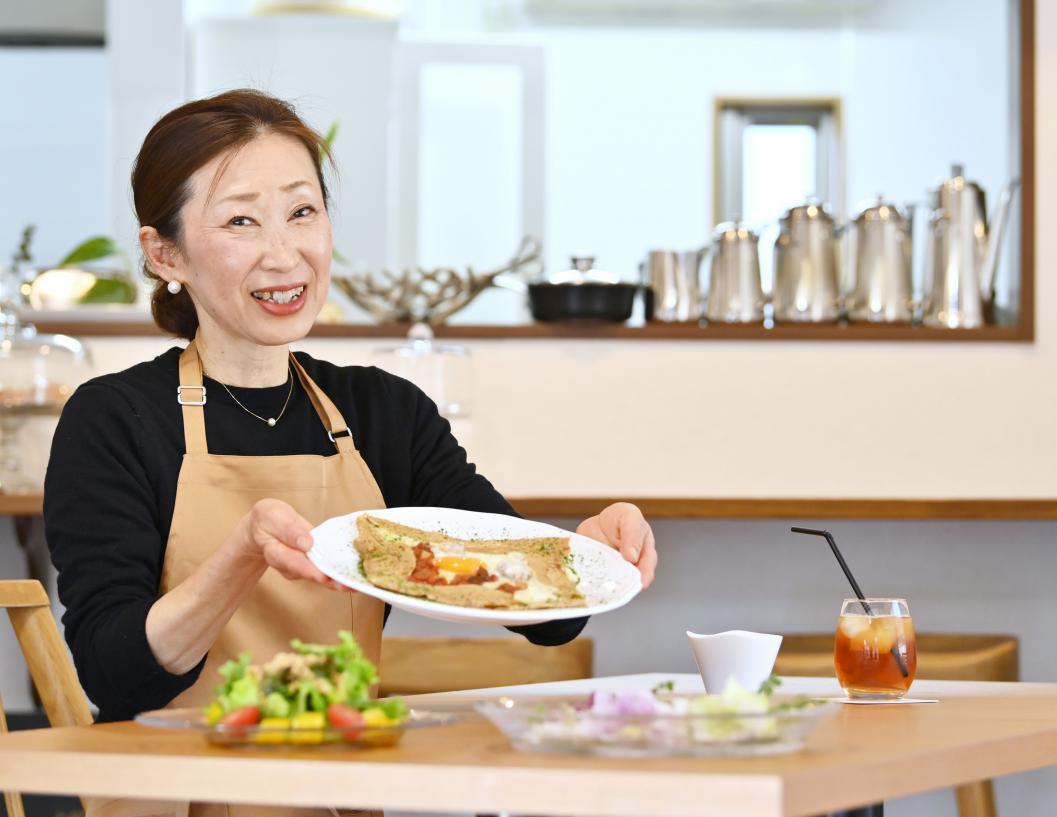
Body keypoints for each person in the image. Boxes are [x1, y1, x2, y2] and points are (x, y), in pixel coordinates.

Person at [44, 88, 658, 812]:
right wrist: (241, 557)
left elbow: (546, 618)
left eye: (302, 212)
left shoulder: (384, 413)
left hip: (337, 796)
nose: (285, 254)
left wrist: (583, 559)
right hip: (178, 798)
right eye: (240, 220)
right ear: (164, 252)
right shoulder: (115, 419)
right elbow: (114, 673)